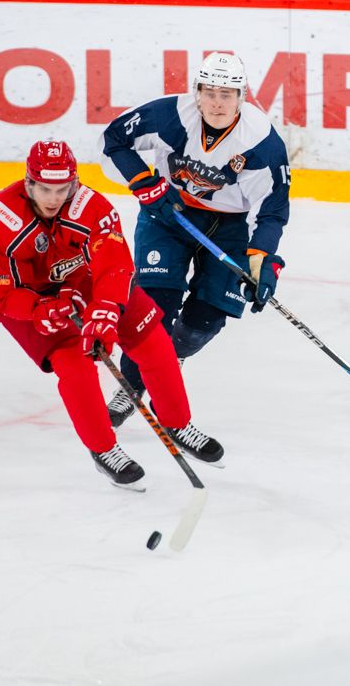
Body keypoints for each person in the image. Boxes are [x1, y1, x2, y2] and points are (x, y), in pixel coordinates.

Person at [0, 140, 223, 490]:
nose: (53, 198)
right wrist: (38, 309)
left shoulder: (92, 206)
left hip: (88, 281)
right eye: (45, 189)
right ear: (29, 183)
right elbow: (2, 296)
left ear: (74, 183)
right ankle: (104, 449)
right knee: (75, 367)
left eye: (62, 189)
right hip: (35, 298)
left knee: (153, 342)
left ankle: (177, 423)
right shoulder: (5, 215)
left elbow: (115, 264)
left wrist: (106, 309)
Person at [100, 52, 291, 426]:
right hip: (167, 214)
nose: (217, 103)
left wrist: (262, 260)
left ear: (242, 96)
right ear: (197, 92)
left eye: (227, 94)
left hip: (229, 227)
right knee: (153, 309)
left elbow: (271, 209)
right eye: (210, 93)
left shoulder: (261, 141)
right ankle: (132, 385)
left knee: (203, 323)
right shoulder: (169, 115)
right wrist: (144, 183)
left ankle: (169, 361)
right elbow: (114, 139)